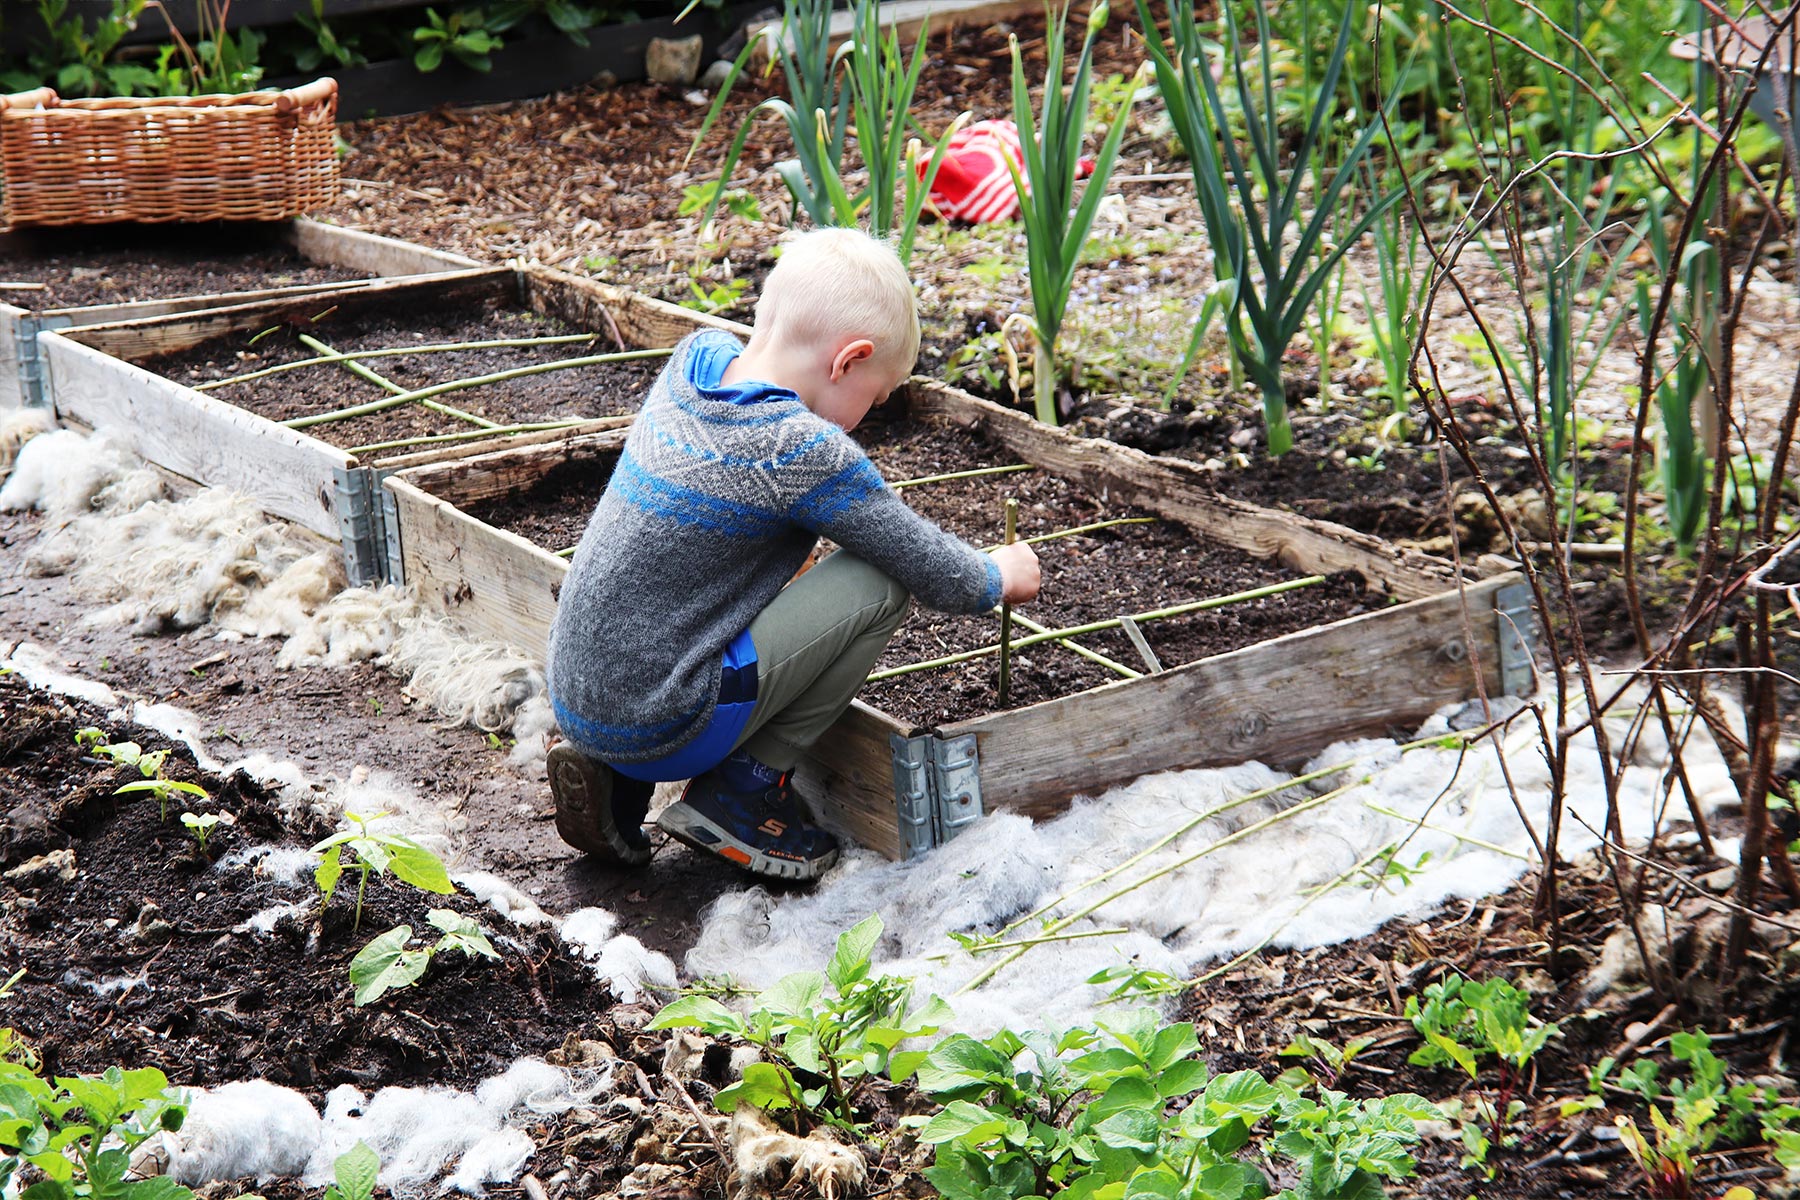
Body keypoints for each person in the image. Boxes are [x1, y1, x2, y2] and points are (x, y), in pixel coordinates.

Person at [544, 228, 1041, 883]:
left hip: (580, 693)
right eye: (876, 395)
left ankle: (616, 778)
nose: (868, 414)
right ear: (848, 360)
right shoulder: (796, 448)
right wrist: (996, 575)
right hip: (667, 719)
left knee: (685, 595)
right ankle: (743, 789)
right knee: (878, 581)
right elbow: (927, 567)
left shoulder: (695, 362)